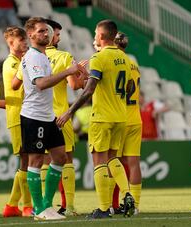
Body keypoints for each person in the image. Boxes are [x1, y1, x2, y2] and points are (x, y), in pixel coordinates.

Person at [57, 20, 135, 219]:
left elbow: (90, 89)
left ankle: (103, 209)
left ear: (101, 36)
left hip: (102, 117)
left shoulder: (98, 57)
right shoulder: (125, 58)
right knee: (113, 159)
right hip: (120, 116)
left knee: (99, 160)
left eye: (95, 33)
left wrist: (70, 112)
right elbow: (129, 88)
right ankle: (127, 195)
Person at [11, 17, 86, 220]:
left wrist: (76, 75)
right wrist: (68, 71)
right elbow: (41, 84)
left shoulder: (42, 56)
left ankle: (46, 205)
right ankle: (39, 209)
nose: (47, 34)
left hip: (48, 115)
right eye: (42, 31)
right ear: (31, 35)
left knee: (60, 156)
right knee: (35, 160)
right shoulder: (34, 57)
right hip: (34, 116)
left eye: (47, 31)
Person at [41, 19, 86, 217]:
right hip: (60, 114)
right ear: (50, 35)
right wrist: (82, 75)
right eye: (57, 34)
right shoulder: (64, 56)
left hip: (39, 115)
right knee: (66, 159)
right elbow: (75, 86)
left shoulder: (32, 57)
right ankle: (69, 205)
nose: (58, 38)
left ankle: (44, 204)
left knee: (43, 160)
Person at [0, 26, 33, 217]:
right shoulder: (11, 64)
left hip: (24, 115)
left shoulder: (19, 61)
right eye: (21, 40)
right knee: (27, 159)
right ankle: (27, 206)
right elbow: (17, 91)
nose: (25, 42)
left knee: (26, 161)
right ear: (10, 43)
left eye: (25, 39)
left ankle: (11, 206)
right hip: (18, 117)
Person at [111, 32, 142, 215]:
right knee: (134, 163)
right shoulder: (134, 64)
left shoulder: (116, 62)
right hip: (135, 117)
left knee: (113, 161)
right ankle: (135, 205)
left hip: (119, 117)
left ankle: (113, 204)